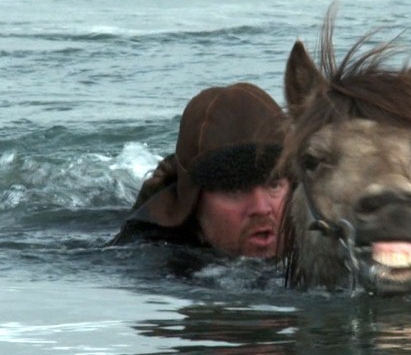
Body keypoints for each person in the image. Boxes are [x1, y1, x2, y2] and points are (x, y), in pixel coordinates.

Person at [112, 83, 290, 258]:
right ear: (193, 204)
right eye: (236, 189)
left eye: (274, 185)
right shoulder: (152, 261)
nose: (261, 208)